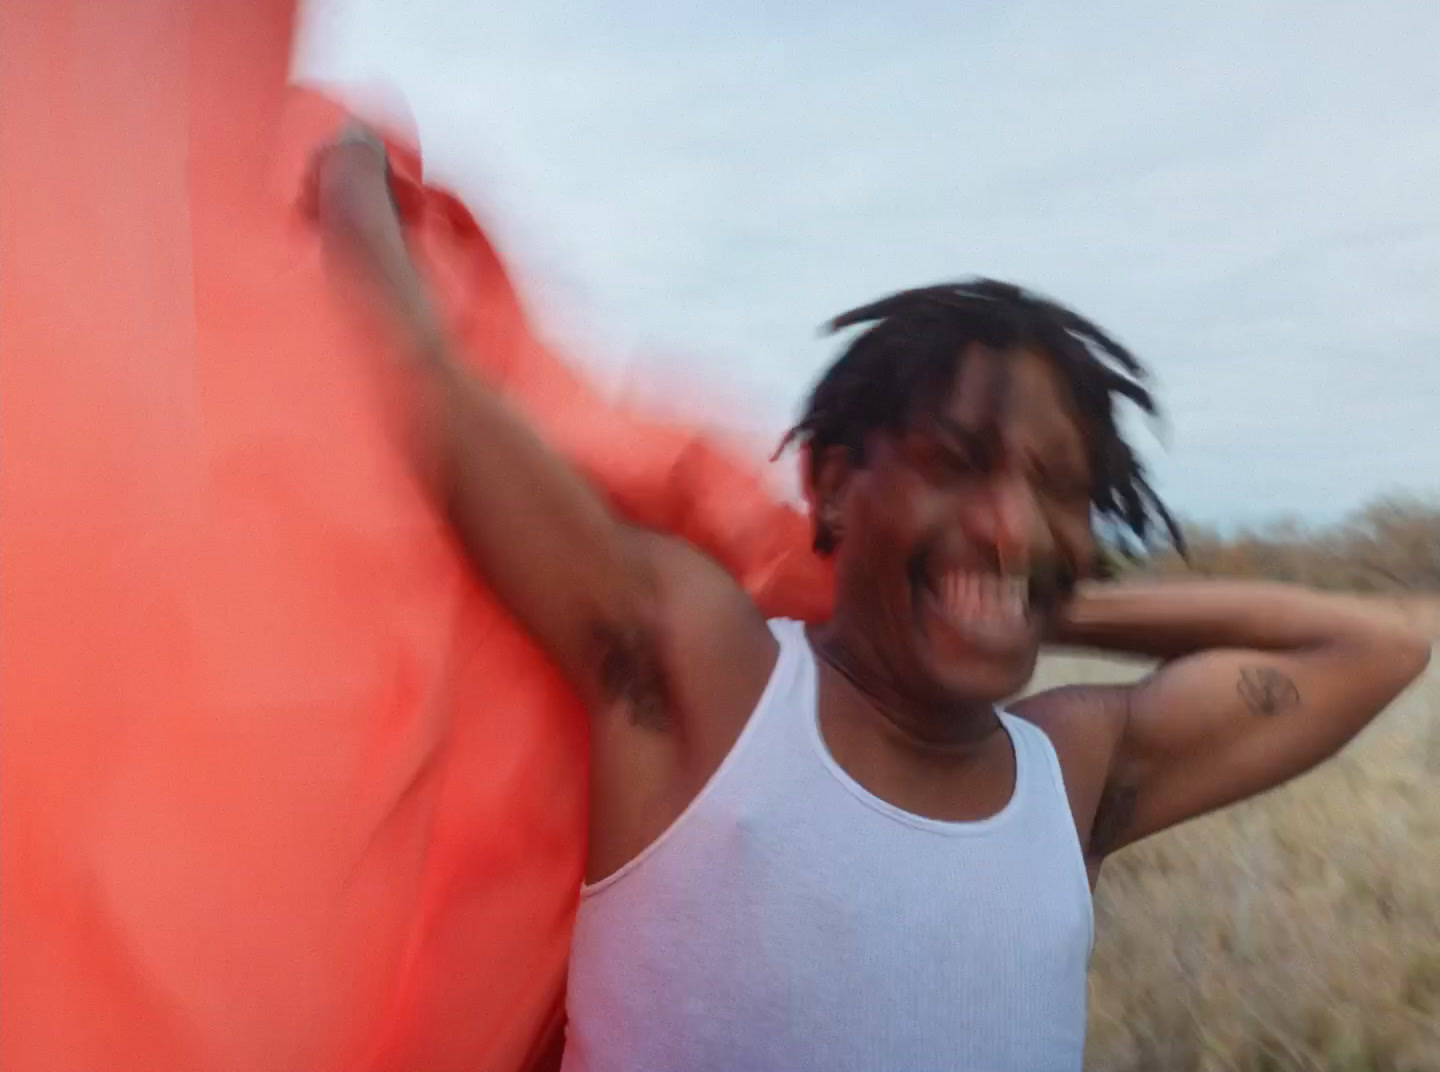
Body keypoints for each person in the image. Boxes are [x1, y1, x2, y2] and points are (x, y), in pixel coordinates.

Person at [313, 130, 1431, 1072]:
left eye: (1056, 492)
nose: (1008, 519)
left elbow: (1376, 643)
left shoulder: (1075, 775)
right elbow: (427, 389)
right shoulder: (710, 680)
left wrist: (1028, 598)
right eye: (957, 463)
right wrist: (350, 171)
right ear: (837, 482)